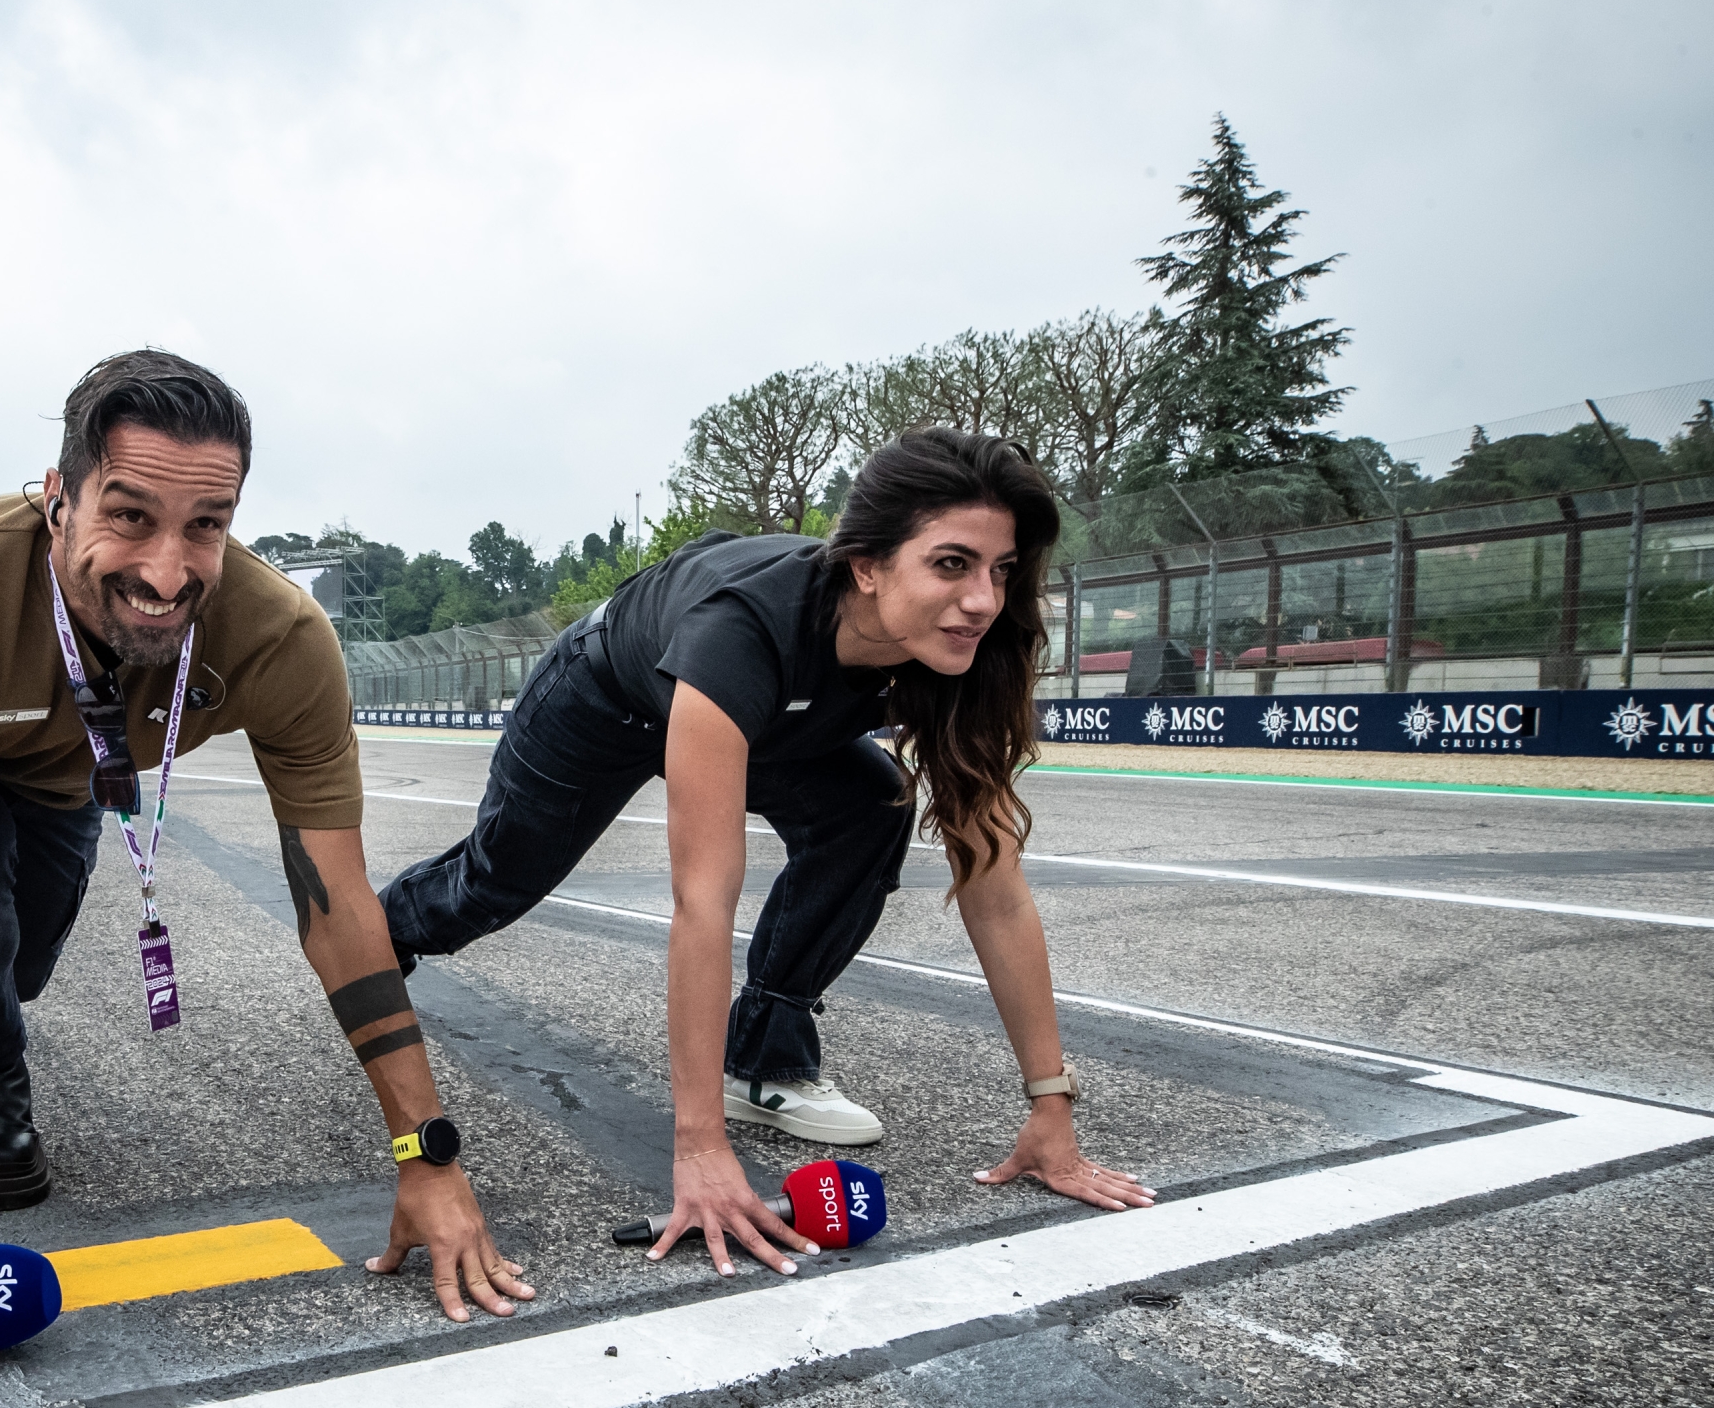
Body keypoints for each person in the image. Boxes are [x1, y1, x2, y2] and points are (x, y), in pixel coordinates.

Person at [0, 349, 532, 1394]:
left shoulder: (282, 637)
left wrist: (428, 1152)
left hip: (70, 778)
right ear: (57, 498)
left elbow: (339, 908)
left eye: (206, 524)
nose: (167, 570)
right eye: (129, 515)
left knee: (15, 962)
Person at [381, 428, 1148, 1279]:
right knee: (496, 883)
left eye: (999, 571)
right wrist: (701, 1152)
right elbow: (703, 904)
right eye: (951, 564)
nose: (981, 599)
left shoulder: (962, 651)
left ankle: (767, 1055)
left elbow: (995, 888)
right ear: (866, 565)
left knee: (871, 809)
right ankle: (377, 938)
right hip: (609, 695)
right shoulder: (741, 630)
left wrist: (1051, 1106)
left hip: (778, 715)